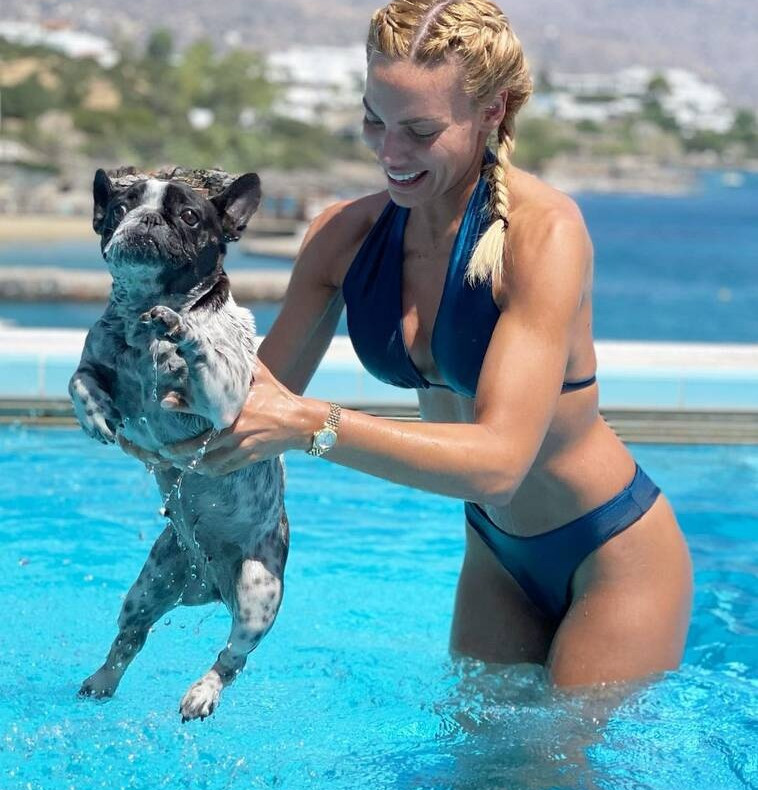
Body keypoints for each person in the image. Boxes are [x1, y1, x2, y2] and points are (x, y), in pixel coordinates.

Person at [125, 0, 693, 688]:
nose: (390, 153)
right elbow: (248, 405)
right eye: (375, 121)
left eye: (420, 131)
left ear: (492, 110)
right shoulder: (344, 238)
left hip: (612, 550)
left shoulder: (544, 236)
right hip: (495, 554)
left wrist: (311, 426)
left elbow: (499, 466)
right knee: (474, 759)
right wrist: (153, 416)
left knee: (563, 757)